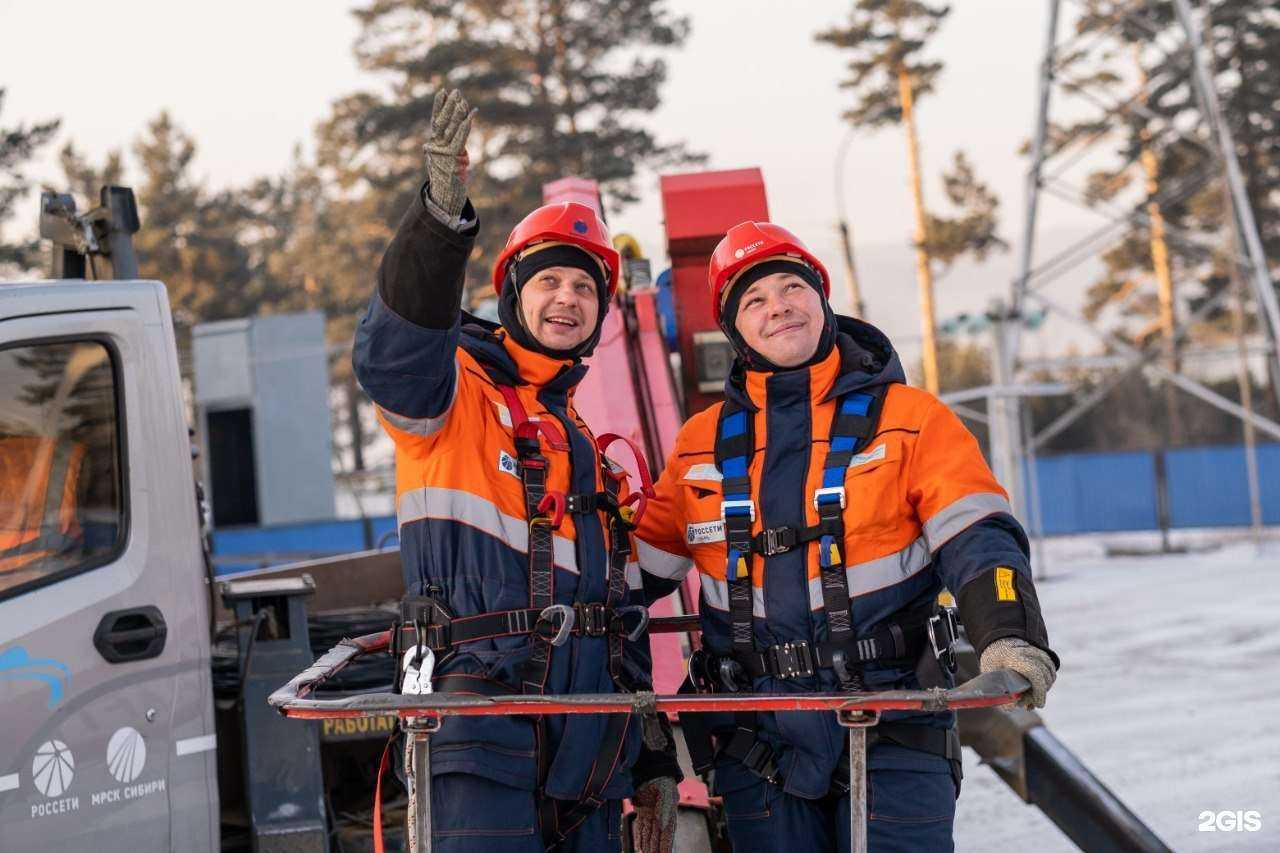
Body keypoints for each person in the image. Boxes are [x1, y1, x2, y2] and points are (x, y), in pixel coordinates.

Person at [632, 221, 1060, 851]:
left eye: (791, 287)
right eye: (754, 300)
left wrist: (1008, 636)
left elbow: (979, 536)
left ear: (821, 298)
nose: (778, 307)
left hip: (895, 721)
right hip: (757, 742)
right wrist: (633, 724)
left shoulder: (911, 420)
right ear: (735, 330)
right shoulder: (700, 443)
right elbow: (620, 582)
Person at [353, 89, 680, 853]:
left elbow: (618, 611)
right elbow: (393, 355)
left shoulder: (588, 451)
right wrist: (438, 225)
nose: (568, 298)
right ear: (512, 295)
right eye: (549, 282)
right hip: (477, 735)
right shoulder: (452, 395)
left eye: (585, 287)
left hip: (589, 755)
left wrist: (654, 757)